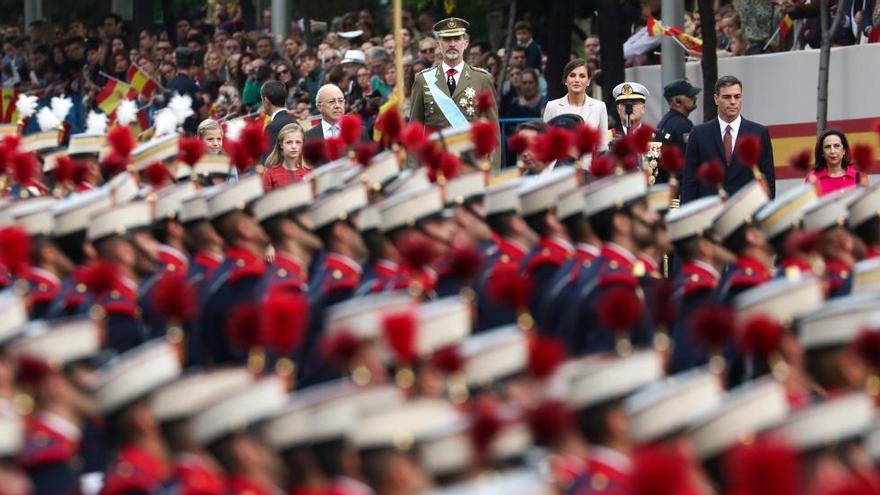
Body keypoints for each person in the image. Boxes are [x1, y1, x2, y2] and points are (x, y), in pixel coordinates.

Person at [681, 75, 776, 203]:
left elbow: (768, 180)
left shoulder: (759, 133)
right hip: (710, 213)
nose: (733, 102)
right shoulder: (699, 134)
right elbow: (689, 181)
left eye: (737, 96)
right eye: (727, 97)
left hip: (746, 212)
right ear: (716, 99)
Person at [409, 18, 498, 129]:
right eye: (447, 39)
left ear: (465, 44)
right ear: (439, 45)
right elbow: (415, 128)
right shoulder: (423, 80)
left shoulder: (482, 79)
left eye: (456, 39)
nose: (452, 44)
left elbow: (493, 127)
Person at [542, 58, 609, 153]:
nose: (577, 80)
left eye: (582, 76)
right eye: (572, 76)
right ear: (565, 80)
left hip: (588, 166)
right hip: (560, 165)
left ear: (589, 81)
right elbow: (546, 143)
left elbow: (603, 147)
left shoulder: (600, 107)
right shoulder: (552, 106)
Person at [656, 79, 701, 187]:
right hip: (679, 189)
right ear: (677, 101)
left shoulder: (666, 121)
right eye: (690, 96)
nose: (695, 98)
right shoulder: (682, 125)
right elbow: (689, 162)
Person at [806, 129, 869, 195]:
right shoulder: (813, 178)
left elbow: (865, 204)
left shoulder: (860, 177)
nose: (832, 151)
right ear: (822, 152)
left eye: (836, 146)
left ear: (844, 150)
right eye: (827, 147)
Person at [262, 123, 309, 190]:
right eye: (289, 142)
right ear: (281, 144)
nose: (294, 146)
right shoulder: (270, 173)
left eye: (298, 142)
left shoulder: (310, 170)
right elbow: (267, 199)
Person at [261, 80, 295, 158]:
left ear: (266, 100)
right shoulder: (295, 122)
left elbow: (268, 160)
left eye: (261, 99)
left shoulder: (272, 128)